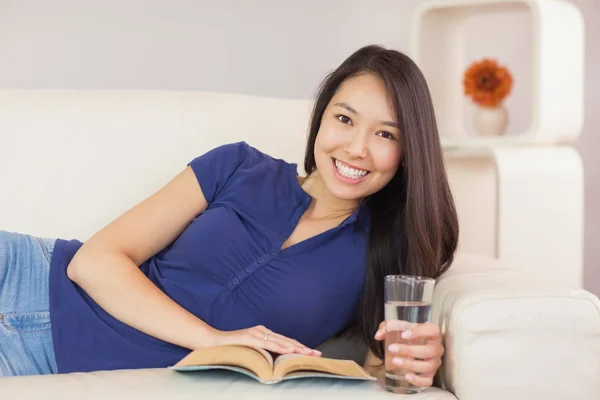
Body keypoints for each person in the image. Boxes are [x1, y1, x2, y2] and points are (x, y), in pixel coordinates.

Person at [0, 44, 458, 388]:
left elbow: (381, 365)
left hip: (40, 355)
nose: (356, 148)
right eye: (344, 119)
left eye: (384, 133)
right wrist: (211, 338)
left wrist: (415, 361)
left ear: (408, 150)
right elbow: (93, 262)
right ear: (321, 118)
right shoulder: (237, 165)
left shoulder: (387, 249)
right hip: (26, 272)